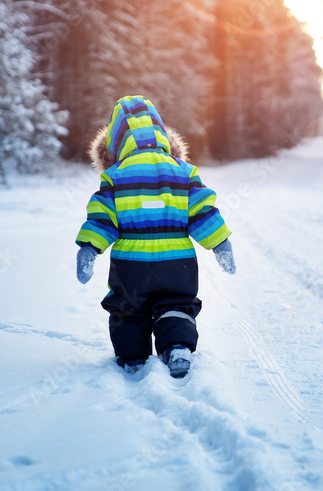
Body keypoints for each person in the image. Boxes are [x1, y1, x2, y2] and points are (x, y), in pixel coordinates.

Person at [74, 95, 236, 378]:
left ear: (115, 140)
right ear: (161, 132)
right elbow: (202, 211)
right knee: (175, 304)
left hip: (131, 263)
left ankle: (133, 358)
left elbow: (103, 217)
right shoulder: (183, 171)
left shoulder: (115, 175)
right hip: (177, 262)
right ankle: (177, 346)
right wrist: (220, 243)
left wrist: (89, 247)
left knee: (128, 309)